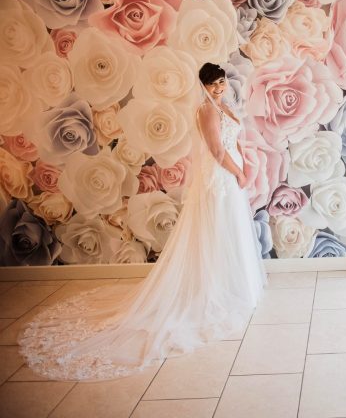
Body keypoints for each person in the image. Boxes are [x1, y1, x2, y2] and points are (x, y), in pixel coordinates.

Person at [18, 63, 267, 381]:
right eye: (213, 84)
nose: (219, 88)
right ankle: (213, 290)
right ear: (203, 86)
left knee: (229, 233)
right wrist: (241, 172)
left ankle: (232, 286)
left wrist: (245, 165)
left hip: (229, 180)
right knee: (217, 233)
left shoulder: (223, 106)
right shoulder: (206, 110)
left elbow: (233, 141)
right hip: (220, 179)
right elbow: (217, 151)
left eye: (221, 82)